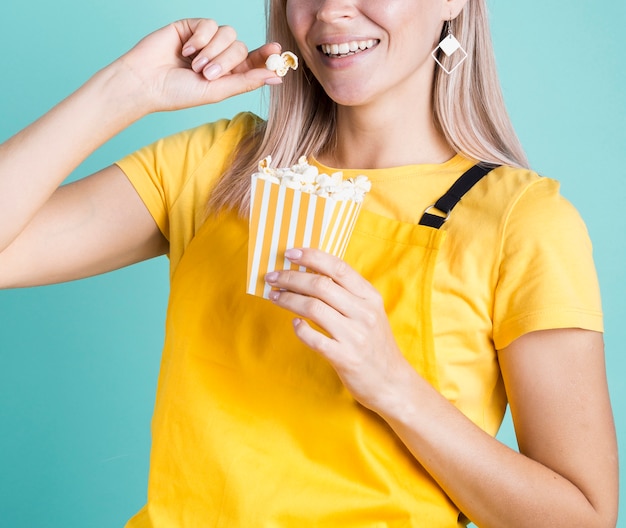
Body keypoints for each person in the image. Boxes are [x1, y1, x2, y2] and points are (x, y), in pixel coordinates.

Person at [0, 0, 618, 526]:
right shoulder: (217, 170)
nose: (329, 10)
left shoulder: (520, 222)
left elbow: (584, 516)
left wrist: (394, 387)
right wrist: (126, 90)